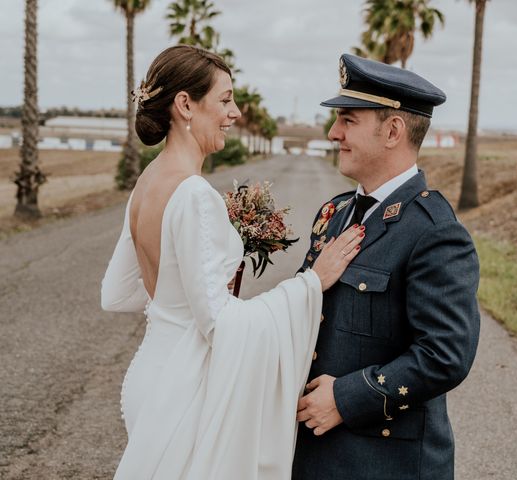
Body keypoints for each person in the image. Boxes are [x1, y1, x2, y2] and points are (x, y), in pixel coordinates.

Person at [100, 45, 364, 480]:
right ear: (185, 104)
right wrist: (310, 284)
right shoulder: (194, 193)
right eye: (224, 100)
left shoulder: (146, 183)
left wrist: (179, 299)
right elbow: (218, 324)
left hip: (148, 373)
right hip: (187, 384)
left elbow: (117, 293)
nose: (236, 112)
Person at [292, 53, 481, 480]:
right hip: (313, 454)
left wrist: (347, 397)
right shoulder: (334, 213)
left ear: (393, 130)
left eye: (348, 120)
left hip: (384, 462)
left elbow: (446, 354)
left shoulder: (433, 232)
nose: (333, 132)